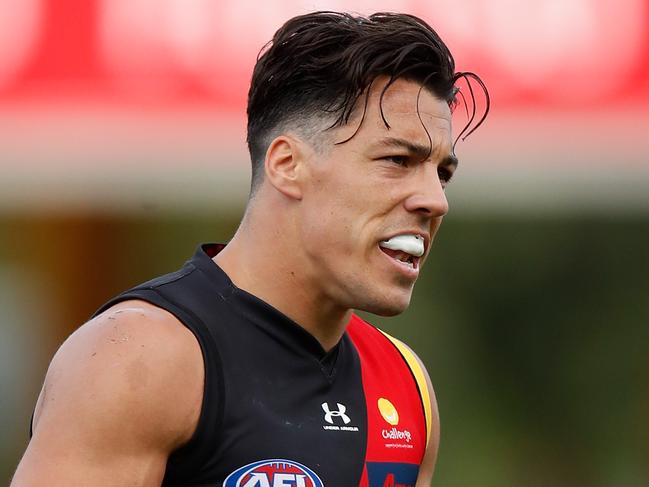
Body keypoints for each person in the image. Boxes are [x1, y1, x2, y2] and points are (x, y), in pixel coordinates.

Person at [11, 11, 488, 487]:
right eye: (398, 160)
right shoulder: (140, 355)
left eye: (441, 173)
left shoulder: (404, 385)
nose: (435, 200)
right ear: (287, 165)